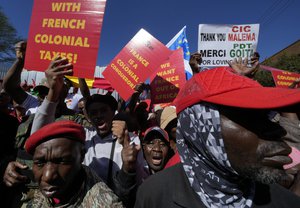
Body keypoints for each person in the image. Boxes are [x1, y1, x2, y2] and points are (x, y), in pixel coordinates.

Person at [135, 67, 300, 208]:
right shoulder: (154, 196)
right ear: (199, 129)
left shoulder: (286, 202)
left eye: (268, 116)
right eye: (249, 118)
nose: (278, 131)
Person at [30, 56, 148, 207]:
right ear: (88, 116)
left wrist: (129, 165)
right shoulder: (83, 134)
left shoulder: (131, 140)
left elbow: (142, 182)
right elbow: (39, 136)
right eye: (93, 113)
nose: (98, 116)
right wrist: (53, 93)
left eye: (103, 111)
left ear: (113, 112)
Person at [23, 120, 123, 207]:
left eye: (62, 161)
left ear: (82, 156)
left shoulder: (106, 203)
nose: (48, 176)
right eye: (40, 163)